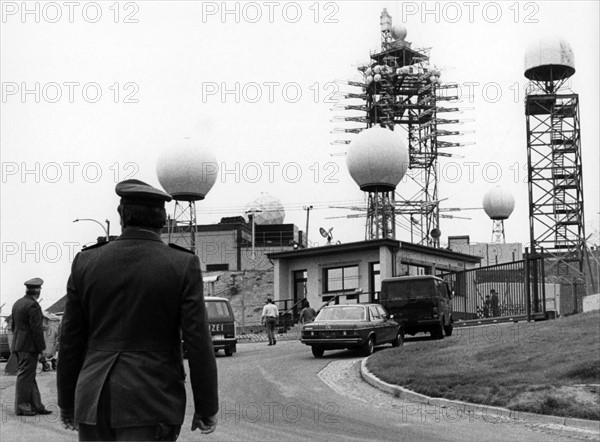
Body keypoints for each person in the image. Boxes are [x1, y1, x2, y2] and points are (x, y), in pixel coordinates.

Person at [57, 179, 218, 441]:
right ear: (164, 220)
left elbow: (70, 341)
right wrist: (206, 406)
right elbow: (198, 341)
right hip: (151, 399)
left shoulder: (86, 261)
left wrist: (67, 402)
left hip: (94, 400)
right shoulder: (182, 264)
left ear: (121, 217)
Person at [11, 277, 52, 416]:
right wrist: (41, 348)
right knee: (25, 376)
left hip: (19, 345)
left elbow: (13, 326)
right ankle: (22, 407)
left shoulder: (17, 303)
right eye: (39, 289)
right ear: (37, 291)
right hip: (29, 346)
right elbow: (36, 329)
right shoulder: (33, 305)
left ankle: (37, 405)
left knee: (29, 375)